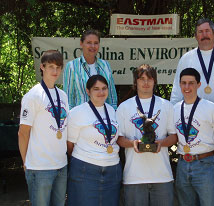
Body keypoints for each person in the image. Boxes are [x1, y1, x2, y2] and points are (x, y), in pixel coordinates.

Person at [116, 64, 177, 206]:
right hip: (134, 177)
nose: (145, 83)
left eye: (149, 79)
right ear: (135, 82)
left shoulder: (166, 105)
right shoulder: (124, 107)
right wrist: (133, 144)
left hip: (162, 177)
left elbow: (174, 137)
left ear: (155, 81)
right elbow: (118, 139)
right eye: (141, 79)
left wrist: (161, 143)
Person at [18, 50, 68, 206]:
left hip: (61, 165)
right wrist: (26, 162)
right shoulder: (33, 96)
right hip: (40, 168)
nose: (55, 71)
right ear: (42, 67)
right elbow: (23, 133)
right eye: (51, 66)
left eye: (58, 67)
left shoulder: (63, 95)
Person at [67, 75, 121, 206]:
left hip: (112, 169)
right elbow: (69, 145)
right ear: (88, 91)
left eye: (104, 88)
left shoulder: (113, 111)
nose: (101, 92)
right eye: (96, 89)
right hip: (85, 170)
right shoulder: (76, 113)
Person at [174, 68, 214, 206]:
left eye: (191, 83)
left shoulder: (211, 108)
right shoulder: (175, 109)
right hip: (183, 164)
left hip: (205, 164)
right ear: (180, 84)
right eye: (183, 83)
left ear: (199, 85)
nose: (187, 87)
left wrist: (213, 158)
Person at [170, 18, 214, 105]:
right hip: (194, 113)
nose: (204, 35)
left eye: (207, 31)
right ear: (196, 36)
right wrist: (174, 109)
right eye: (200, 32)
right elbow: (177, 90)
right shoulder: (186, 58)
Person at [63, 29, 117, 109]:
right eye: (89, 43)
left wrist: (113, 113)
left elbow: (112, 96)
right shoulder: (72, 66)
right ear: (81, 44)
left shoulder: (105, 65)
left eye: (96, 43)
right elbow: (68, 98)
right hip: (81, 117)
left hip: (103, 116)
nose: (93, 46)